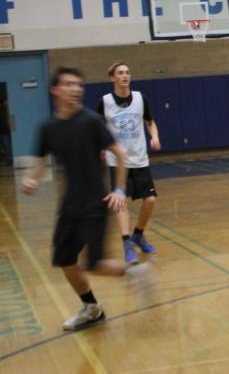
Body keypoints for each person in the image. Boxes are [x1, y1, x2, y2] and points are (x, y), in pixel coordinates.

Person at [21, 67, 152, 331]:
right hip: (69, 206)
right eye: (68, 84)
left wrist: (119, 190)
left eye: (78, 84)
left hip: (95, 203)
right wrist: (31, 177)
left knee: (95, 264)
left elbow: (118, 153)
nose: (75, 89)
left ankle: (135, 273)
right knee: (65, 260)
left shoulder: (91, 120)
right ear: (55, 90)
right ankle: (92, 308)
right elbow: (40, 161)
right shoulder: (49, 127)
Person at [97, 62, 160, 265]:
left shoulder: (141, 98)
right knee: (120, 202)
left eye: (127, 73)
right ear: (112, 78)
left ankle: (138, 235)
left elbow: (150, 121)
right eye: (120, 73)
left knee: (150, 200)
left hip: (140, 157)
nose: (125, 76)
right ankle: (126, 243)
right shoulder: (105, 102)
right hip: (118, 161)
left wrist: (154, 136)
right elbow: (98, 129)